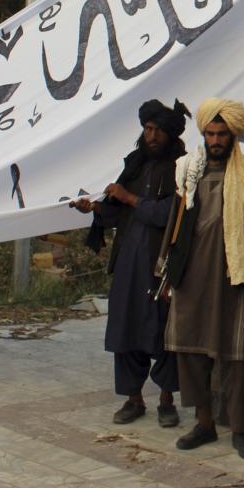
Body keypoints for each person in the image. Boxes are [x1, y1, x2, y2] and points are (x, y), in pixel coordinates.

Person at [69, 100, 188, 424]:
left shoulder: (182, 168)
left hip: (160, 267)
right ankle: (134, 400)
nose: (149, 135)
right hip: (128, 265)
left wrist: (129, 198)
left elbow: (170, 213)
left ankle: (166, 400)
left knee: (165, 332)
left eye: (155, 130)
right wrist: (93, 208)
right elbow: (116, 211)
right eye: (146, 129)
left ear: (168, 134)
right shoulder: (135, 164)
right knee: (126, 329)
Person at [164, 99, 244, 460]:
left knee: (236, 357)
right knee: (191, 354)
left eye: (222, 134)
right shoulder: (188, 171)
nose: (215, 140)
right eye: (210, 133)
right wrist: (167, 274)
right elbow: (174, 226)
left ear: (234, 135)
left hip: (233, 278)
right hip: (191, 276)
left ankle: (241, 430)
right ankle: (204, 423)